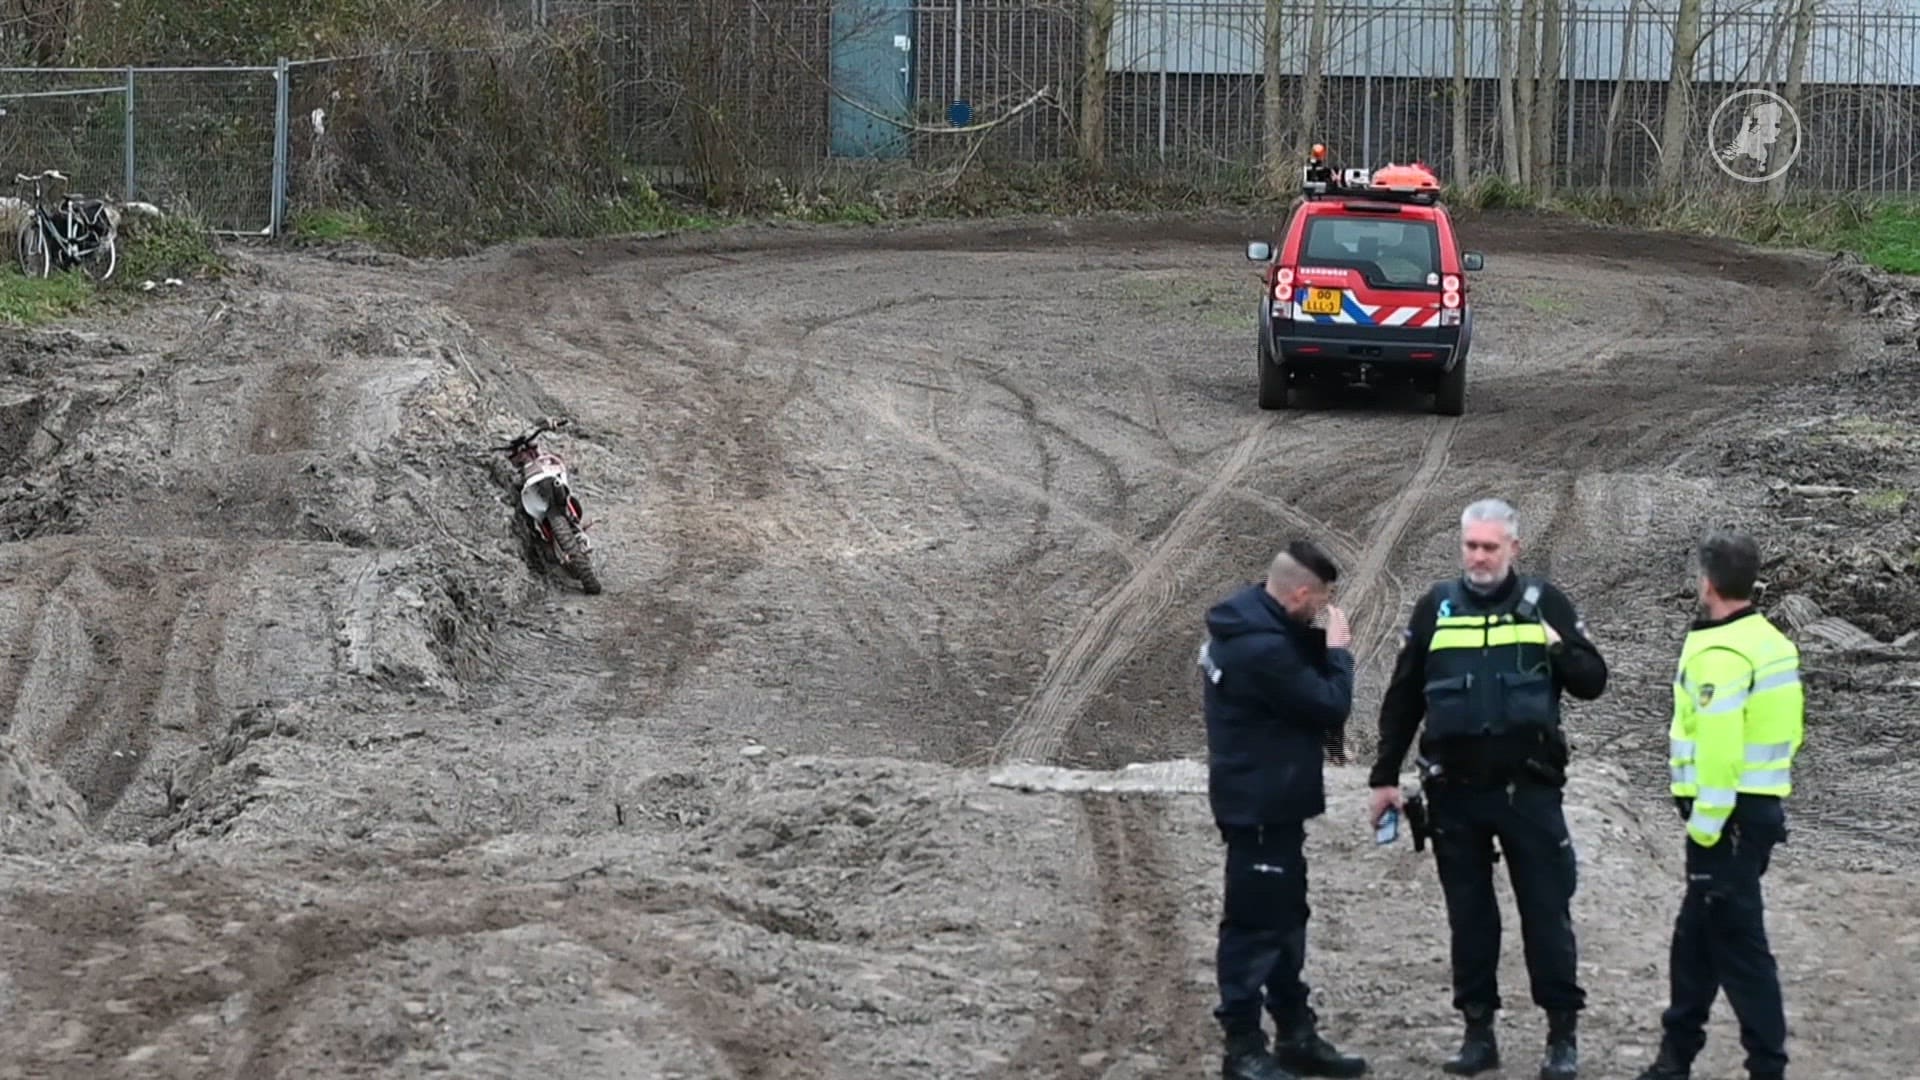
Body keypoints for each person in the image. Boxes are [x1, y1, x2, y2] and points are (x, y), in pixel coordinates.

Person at [1366, 498, 1608, 1080]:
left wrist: (1556, 643)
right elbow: (1402, 701)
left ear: (1513, 549)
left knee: (1546, 915)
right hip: (1455, 795)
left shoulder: (1544, 604)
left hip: (1529, 792)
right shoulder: (1436, 608)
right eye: (1471, 546)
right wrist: (1383, 779)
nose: (1478, 557)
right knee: (1470, 920)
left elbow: (1593, 682)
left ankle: (1561, 1038)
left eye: (1490, 547)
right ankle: (1478, 1034)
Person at [1633, 529, 1802, 1080]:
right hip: (1753, 816)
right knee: (1695, 941)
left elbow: (1721, 752)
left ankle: (1766, 1067)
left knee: (1740, 947)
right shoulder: (1770, 642)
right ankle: (1674, 1058)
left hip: (1724, 824)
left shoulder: (1720, 651)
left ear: (1707, 582)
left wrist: (1705, 827)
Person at [1200, 540, 1369, 1080]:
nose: (1320, 613)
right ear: (1299, 592)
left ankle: (1295, 1033)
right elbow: (1328, 704)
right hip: (1259, 805)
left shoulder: (1250, 625)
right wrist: (1338, 652)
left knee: (1287, 918)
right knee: (1253, 927)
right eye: (1318, 603)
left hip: (1273, 800)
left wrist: (1312, 639)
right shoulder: (1261, 648)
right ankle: (1244, 1049)